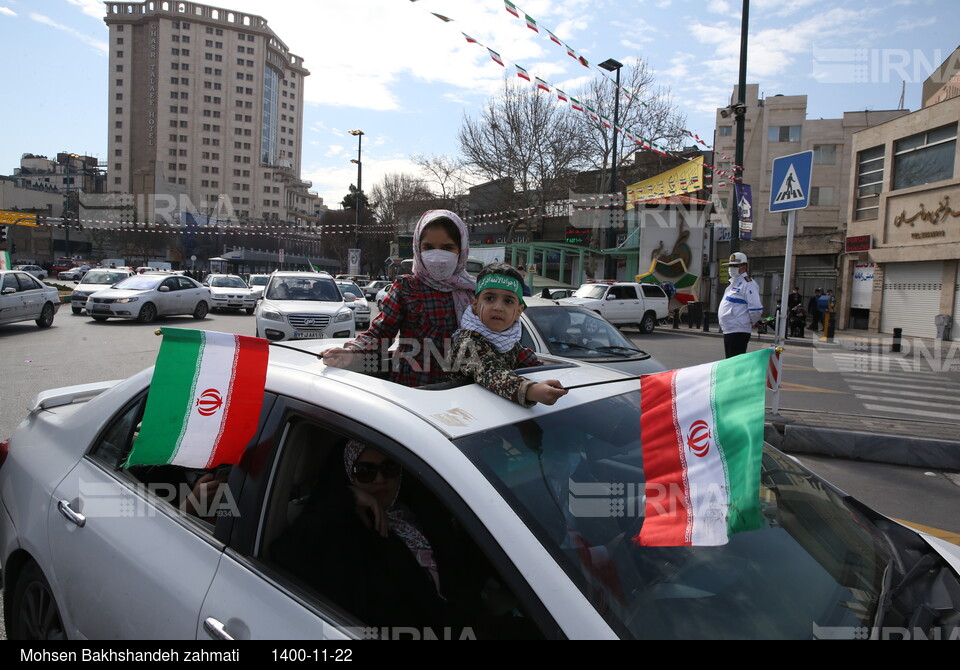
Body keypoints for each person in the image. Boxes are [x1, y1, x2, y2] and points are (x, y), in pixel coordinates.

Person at [270, 440, 479, 630]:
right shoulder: (339, 530)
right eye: (364, 471)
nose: (380, 479)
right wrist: (346, 497)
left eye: (390, 468)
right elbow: (286, 555)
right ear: (347, 475)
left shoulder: (419, 511)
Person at [322, 210, 476, 387]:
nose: (437, 255)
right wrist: (353, 351)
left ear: (462, 250)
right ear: (418, 249)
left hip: (463, 393)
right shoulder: (407, 288)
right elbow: (382, 331)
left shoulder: (475, 291)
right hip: (413, 390)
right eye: (428, 247)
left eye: (447, 247)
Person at [447, 263, 567, 407]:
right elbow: (491, 373)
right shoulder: (467, 342)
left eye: (508, 301)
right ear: (475, 304)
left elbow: (527, 359)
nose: (498, 307)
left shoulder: (508, 340)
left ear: (518, 311)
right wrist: (530, 390)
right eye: (490, 298)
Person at [717, 252, 763, 358]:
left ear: (744, 266)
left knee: (735, 364)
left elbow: (755, 308)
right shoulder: (733, 283)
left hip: (739, 330)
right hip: (729, 329)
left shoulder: (748, 284)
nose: (731, 268)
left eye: (735, 266)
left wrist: (753, 322)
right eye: (730, 265)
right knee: (730, 362)